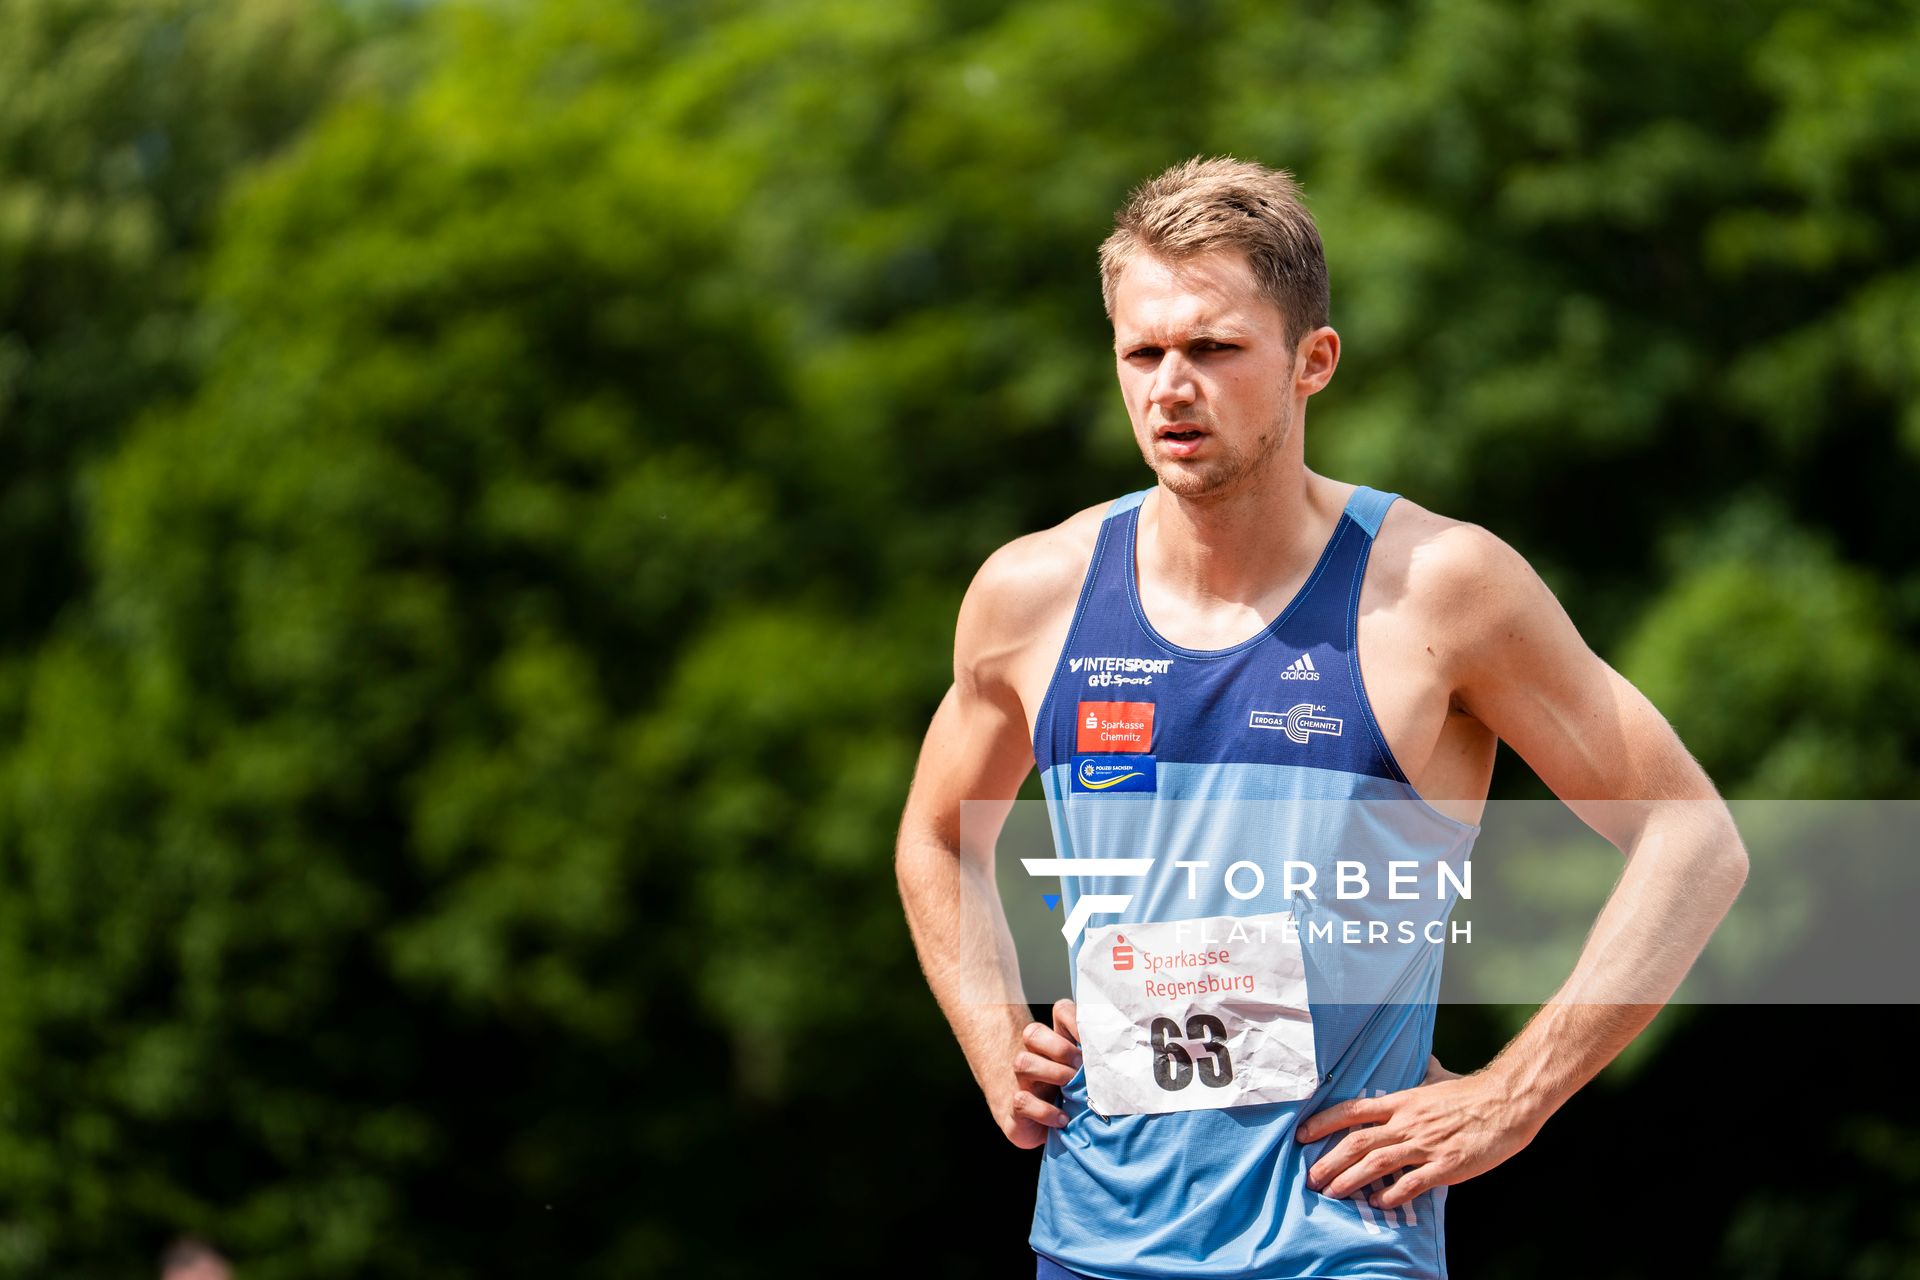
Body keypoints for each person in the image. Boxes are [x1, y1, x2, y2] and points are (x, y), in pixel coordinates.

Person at [893, 154, 1748, 1279]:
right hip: (1092, 1242)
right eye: (1142, 352)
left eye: (1213, 347)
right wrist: (994, 1037)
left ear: (1313, 361)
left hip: (1339, 1243)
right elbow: (939, 833)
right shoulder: (1031, 594)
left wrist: (1513, 1093)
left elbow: (1692, 837)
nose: (1170, 386)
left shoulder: (1444, 589)